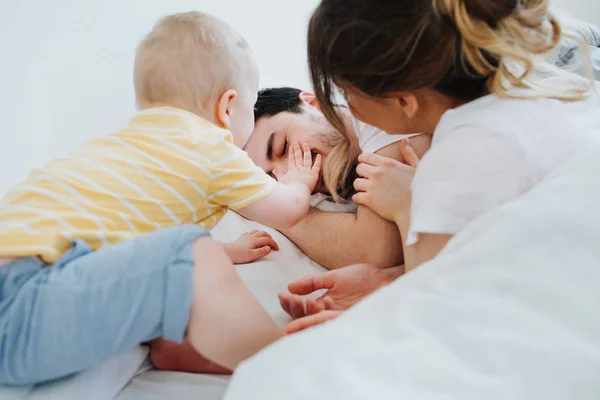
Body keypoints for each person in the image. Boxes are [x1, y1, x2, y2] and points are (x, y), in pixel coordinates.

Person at [0, 11, 322, 385]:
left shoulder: (126, 147)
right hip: (22, 302)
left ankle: (178, 342)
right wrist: (297, 183)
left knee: (172, 259)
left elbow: (129, 244)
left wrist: (226, 252)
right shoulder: (208, 145)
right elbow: (288, 210)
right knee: (190, 252)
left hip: (27, 281)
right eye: (249, 111)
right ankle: (284, 362)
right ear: (227, 107)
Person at [281, 0, 600, 332]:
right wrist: (389, 279)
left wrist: (406, 204)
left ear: (403, 101)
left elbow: (434, 310)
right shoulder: (542, 88)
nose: (345, 105)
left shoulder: (458, 155)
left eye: (347, 91)